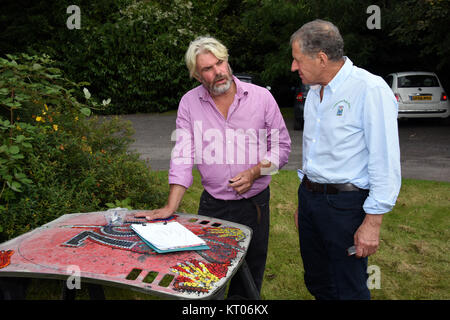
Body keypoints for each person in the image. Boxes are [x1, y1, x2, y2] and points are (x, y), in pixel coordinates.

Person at [135, 36, 291, 299]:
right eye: (208, 68)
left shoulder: (262, 98)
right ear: (197, 75)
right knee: (205, 281)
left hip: (255, 206)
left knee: (248, 278)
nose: (218, 71)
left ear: (227, 61)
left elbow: (282, 148)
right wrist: (171, 206)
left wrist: (255, 172)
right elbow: (183, 155)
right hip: (213, 207)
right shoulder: (189, 103)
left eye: (220, 62)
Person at [290, 20, 401, 300]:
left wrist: (373, 222)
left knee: (349, 288)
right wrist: (305, 201)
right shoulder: (315, 92)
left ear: (322, 58)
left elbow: (385, 159)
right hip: (311, 201)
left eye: (297, 60)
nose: (293, 67)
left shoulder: (369, 89)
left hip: (345, 207)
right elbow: (315, 151)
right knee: (318, 281)